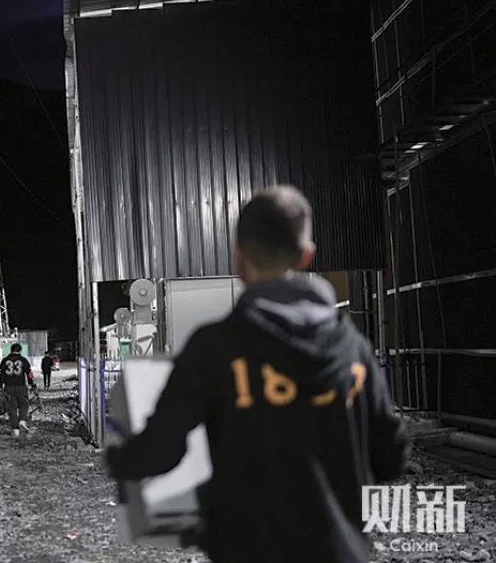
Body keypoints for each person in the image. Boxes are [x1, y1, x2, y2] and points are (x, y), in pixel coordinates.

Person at [104, 185, 410, 563]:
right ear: (306, 255)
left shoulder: (214, 347)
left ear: (240, 257)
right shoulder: (354, 349)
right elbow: (390, 455)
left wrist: (117, 457)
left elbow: (159, 451)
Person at [0, 343, 35, 436]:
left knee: (12, 408)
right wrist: (32, 383)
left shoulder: (4, 360)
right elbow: (29, 373)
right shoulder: (23, 360)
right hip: (21, 386)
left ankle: (15, 429)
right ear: (20, 350)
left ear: (11, 350)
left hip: (9, 387)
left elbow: (1, 375)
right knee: (24, 403)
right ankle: (22, 420)